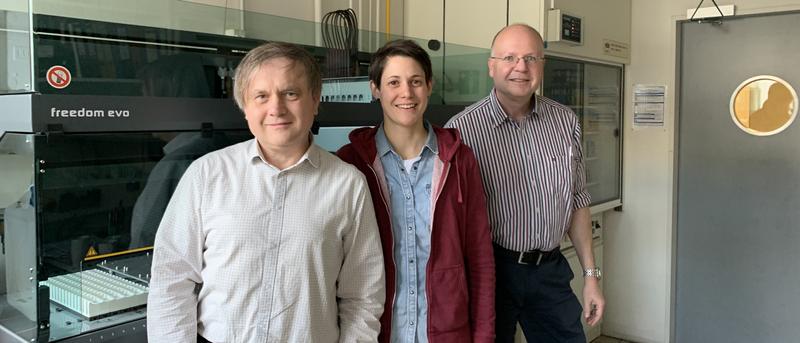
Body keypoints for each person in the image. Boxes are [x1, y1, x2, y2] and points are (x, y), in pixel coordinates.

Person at [147, 42, 385, 342]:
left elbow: (363, 294)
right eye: (261, 96)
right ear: (245, 106)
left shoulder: (347, 184)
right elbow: (172, 280)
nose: (276, 108)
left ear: (315, 100)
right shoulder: (206, 175)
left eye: (291, 94)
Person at [445, 24, 605, 342]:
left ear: (542, 65)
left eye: (531, 58)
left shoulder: (565, 121)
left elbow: (577, 200)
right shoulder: (460, 132)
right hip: (492, 272)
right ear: (491, 66)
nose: (521, 67)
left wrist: (591, 276)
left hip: (550, 271)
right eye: (510, 57)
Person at [337, 39, 495, 343]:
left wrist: (484, 336)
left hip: (446, 331)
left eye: (416, 81)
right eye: (393, 82)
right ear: (375, 89)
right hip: (375, 331)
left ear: (429, 86)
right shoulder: (350, 162)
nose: (406, 93)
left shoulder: (459, 160)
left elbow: (480, 257)